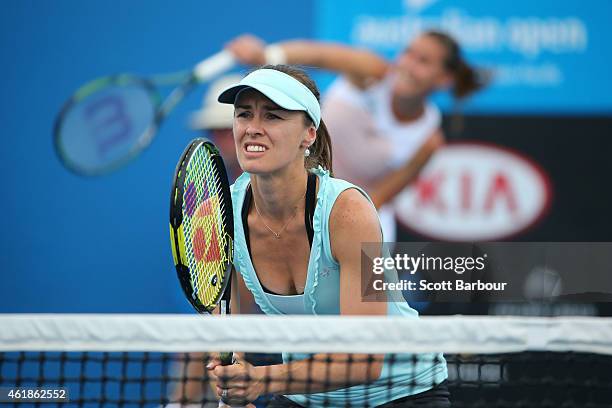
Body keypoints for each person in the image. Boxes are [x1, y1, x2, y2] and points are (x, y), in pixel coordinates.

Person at [206, 65, 449, 407]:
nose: (253, 129)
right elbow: (228, 316)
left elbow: (365, 360)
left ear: (308, 134)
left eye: (273, 117)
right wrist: (231, 373)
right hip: (304, 397)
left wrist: (260, 379)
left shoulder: (349, 213)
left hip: (400, 393)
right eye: (244, 114)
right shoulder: (222, 213)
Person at [225, 31, 486, 242]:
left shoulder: (429, 141)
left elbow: (380, 197)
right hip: (298, 201)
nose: (407, 65)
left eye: (423, 61)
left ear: (443, 79)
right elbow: (320, 55)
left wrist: (332, 221)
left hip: (354, 216)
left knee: (359, 301)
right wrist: (267, 55)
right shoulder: (372, 71)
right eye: (408, 53)